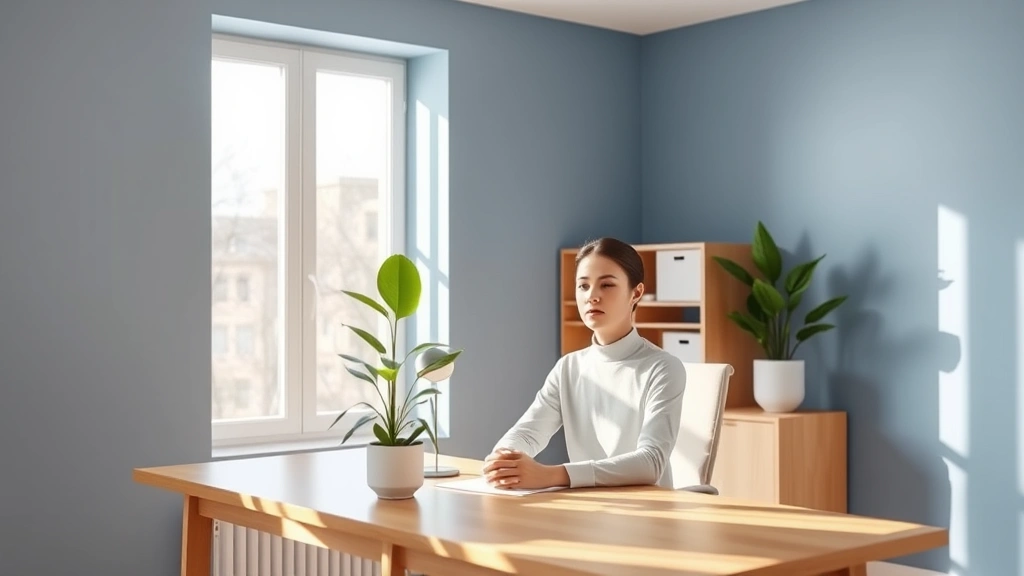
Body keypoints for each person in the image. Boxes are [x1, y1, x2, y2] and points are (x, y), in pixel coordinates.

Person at [483, 237, 687, 490]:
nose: (592, 296)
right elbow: (528, 431)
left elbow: (650, 462)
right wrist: (504, 458)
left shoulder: (662, 367)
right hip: (588, 508)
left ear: (636, 293)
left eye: (607, 285)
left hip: (644, 513)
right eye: (583, 286)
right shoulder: (569, 367)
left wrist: (551, 475)